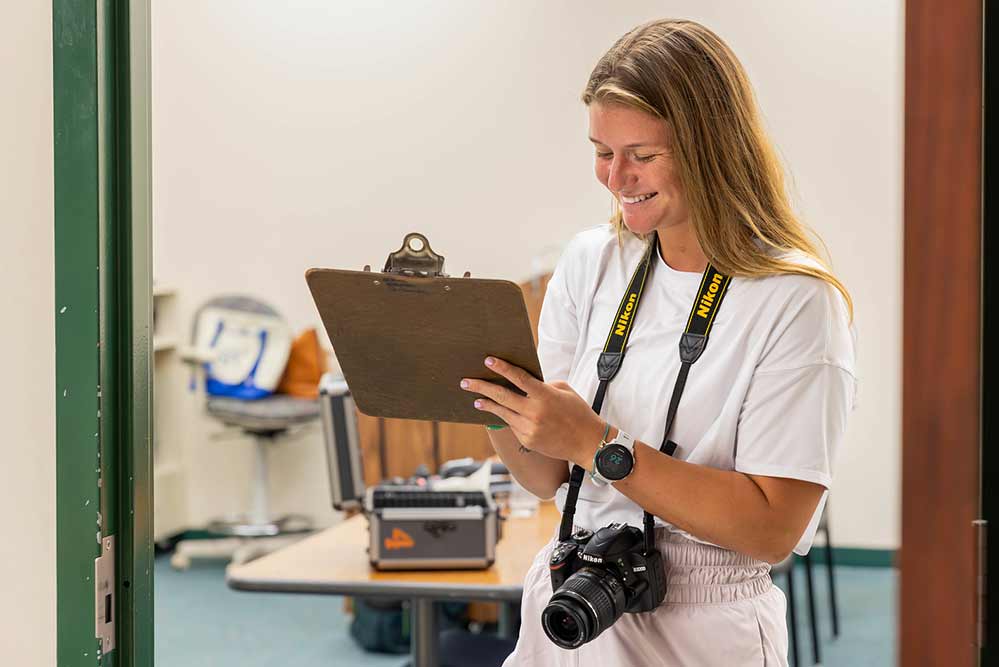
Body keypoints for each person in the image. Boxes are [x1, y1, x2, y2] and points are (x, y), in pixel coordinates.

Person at [459, 18, 856, 666]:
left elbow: (771, 528)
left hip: (702, 617)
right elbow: (544, 476)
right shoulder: (590, 261)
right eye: (600, 151)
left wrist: (597, 442)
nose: (615, 178)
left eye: (640, 155)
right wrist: (491, 399)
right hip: (574, 594)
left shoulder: (795, 300)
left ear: (707, 147)